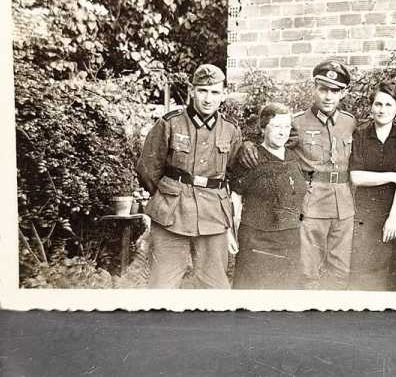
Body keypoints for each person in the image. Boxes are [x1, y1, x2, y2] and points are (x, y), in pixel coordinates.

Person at [238, 60, 356, 289]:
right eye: (323, 89)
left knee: (340, 271)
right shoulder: (298, 123)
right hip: (311, 205)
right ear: (314, 88)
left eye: (335, 91)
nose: (328, 96)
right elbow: (272, 141)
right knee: (307, 272)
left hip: (343, 205)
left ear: (343, 93)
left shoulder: (350, 122)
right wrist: (247, 145)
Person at [136, 64, 241, 289]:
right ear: (191, 91)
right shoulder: (170, 123)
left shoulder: (230, 131)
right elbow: (147, 168)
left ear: (223, 95)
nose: (208, 98)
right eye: (202, 90)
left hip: (213, 215)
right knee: (162, 284)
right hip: (171, 214)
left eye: (214, 92)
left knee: (215, 286)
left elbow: (232, 174)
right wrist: (168, 195)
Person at [229, 103, 307, 289]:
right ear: (263, 128)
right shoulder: (250, 157)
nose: (283, 132)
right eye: (277, 127)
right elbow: (235, 198)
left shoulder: (293, 157)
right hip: (257, 240)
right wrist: (230, 232)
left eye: (286, 127)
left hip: (289, 239)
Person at [348, 82, 396, 291]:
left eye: (388, 105)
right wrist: (392, 177)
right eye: (378, 104)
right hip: (365, 213)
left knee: (393, 272)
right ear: (371, 106)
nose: (382, 110)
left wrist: (393, 218)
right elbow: (356, 177)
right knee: (364, 270)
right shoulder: (361, 134)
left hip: (395, 210)